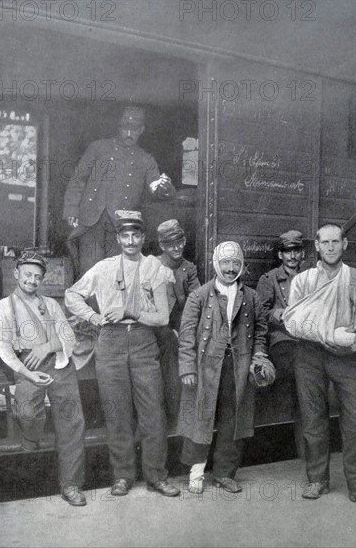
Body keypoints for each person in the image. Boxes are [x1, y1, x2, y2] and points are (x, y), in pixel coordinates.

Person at [65, 210, 180, 497]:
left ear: (143, 237)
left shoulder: (155, 269)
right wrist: (93, 318)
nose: (131, 241)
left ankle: (156, 476)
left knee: (153, 412)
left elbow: (163, 318)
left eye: (136, 235)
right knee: (117, 414)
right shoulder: (103, 268)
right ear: (118, 238)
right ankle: (122, 476)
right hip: (111, 343)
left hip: (143, 340)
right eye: (125, 236)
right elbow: (72, 295)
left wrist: (130, 311)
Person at [283, 223, 356, 510]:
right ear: (316, 245)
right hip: (309, 356)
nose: (330, 247)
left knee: (355, 421)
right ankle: (317, 479)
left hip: (346, 355)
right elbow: (294, 323)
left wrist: (349, 342)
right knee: (313, 420)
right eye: (324, 242)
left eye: (335, 242)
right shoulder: (303, 281)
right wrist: (329, 334)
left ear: (345, 244)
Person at [177, 241, 274, 494]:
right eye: (225, 263)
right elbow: (187, 334)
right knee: (202, 416)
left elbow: (261, 333)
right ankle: (196, 471)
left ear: (241, 265)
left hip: (238, 366)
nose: (230, 269)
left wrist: (259, 357)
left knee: (234, 419)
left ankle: (224, 474)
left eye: (235, 263)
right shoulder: (198, 296)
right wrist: (188, 368)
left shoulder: (252, 297)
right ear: (215, 264)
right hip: (206, 365)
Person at [0, 250, 86, 507]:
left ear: (42, 279)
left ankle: (71, 484)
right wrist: (27, 373)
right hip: (27, 368)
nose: (32, 281)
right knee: (28, 414)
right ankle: (31, 437)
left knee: (71, 421)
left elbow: (69, 338)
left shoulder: (52, 305)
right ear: (16, 274)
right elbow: (4, 349)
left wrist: (46, 347)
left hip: (59, 365)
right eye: (27, 275)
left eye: (37, 277)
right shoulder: (3, 307)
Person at [63, 106, 176, 276]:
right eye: (125, 128)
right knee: (88, 272)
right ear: (119, 127)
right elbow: (78, 179)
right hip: (92, 220)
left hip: (122, 227)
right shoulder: (98, 148)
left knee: (115, 274)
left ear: (142, 130)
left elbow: (155, 186)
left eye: (135, 129)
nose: (129, 133)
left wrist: (163, 187)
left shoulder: (145, 159)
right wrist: (72, 209)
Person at [256, 230, 307, 457]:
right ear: (280, 255)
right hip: (283, 340)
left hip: (308, 339)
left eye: (296, 251)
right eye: (288, 252)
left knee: (309, 391)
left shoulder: (311, 277)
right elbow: (259, 313)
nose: (293, 256)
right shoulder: (269, 280)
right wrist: (278, 314)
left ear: (302, 253)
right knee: (299, 377)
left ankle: (306, 450)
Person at [155, 219, 200, 425]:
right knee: (171, 353)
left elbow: (194, 302)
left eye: (180, 241)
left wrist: (183, 330)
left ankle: (187, 414)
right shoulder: (152, 266)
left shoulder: (188, 268)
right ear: (162, 246)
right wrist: (168, 330)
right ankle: (173, 414)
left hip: (178, 324)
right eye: (171, 244)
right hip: (156, 326)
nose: (177, 248)